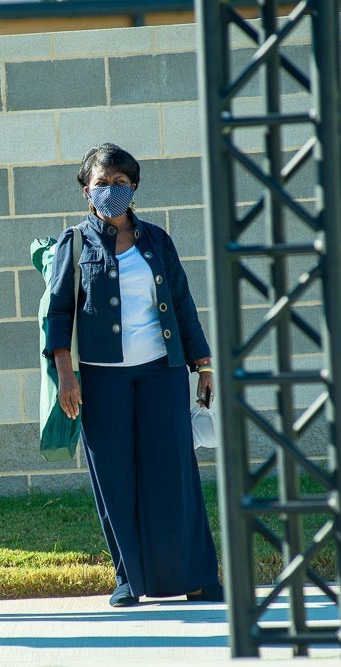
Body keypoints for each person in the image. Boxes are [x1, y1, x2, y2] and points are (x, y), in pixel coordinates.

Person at [45, 143, 223, 607]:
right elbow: (58, 314)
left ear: (134, 187)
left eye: (119, 184)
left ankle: (197, 576)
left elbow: (182, 304)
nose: (110, 192)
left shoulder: (157, 241)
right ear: (86, 191)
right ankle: (129, 579)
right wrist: (67, 376)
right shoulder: (74, 243)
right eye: (101, 184)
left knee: (174, 474)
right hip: (101, 382)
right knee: (115, 478)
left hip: (161, 374)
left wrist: (203, 365)